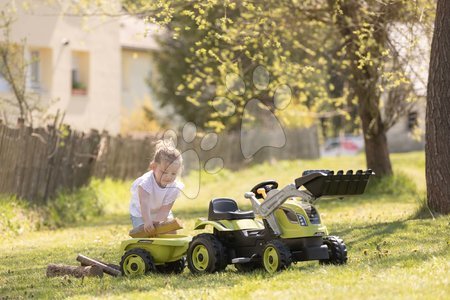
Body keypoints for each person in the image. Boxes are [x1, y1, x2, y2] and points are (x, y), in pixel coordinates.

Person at [129, 139, 184, 234]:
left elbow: (165, 209)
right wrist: (147, 221)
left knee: (170, 231)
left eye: (173, 173)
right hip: (141, 213)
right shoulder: (146, 183)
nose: (168, 177)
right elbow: (144, 203)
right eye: (164, 172)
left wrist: (158, 223)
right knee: (145, 233)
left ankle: (170, 247)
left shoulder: (174, 187)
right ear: (154, 167)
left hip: (160, 211)